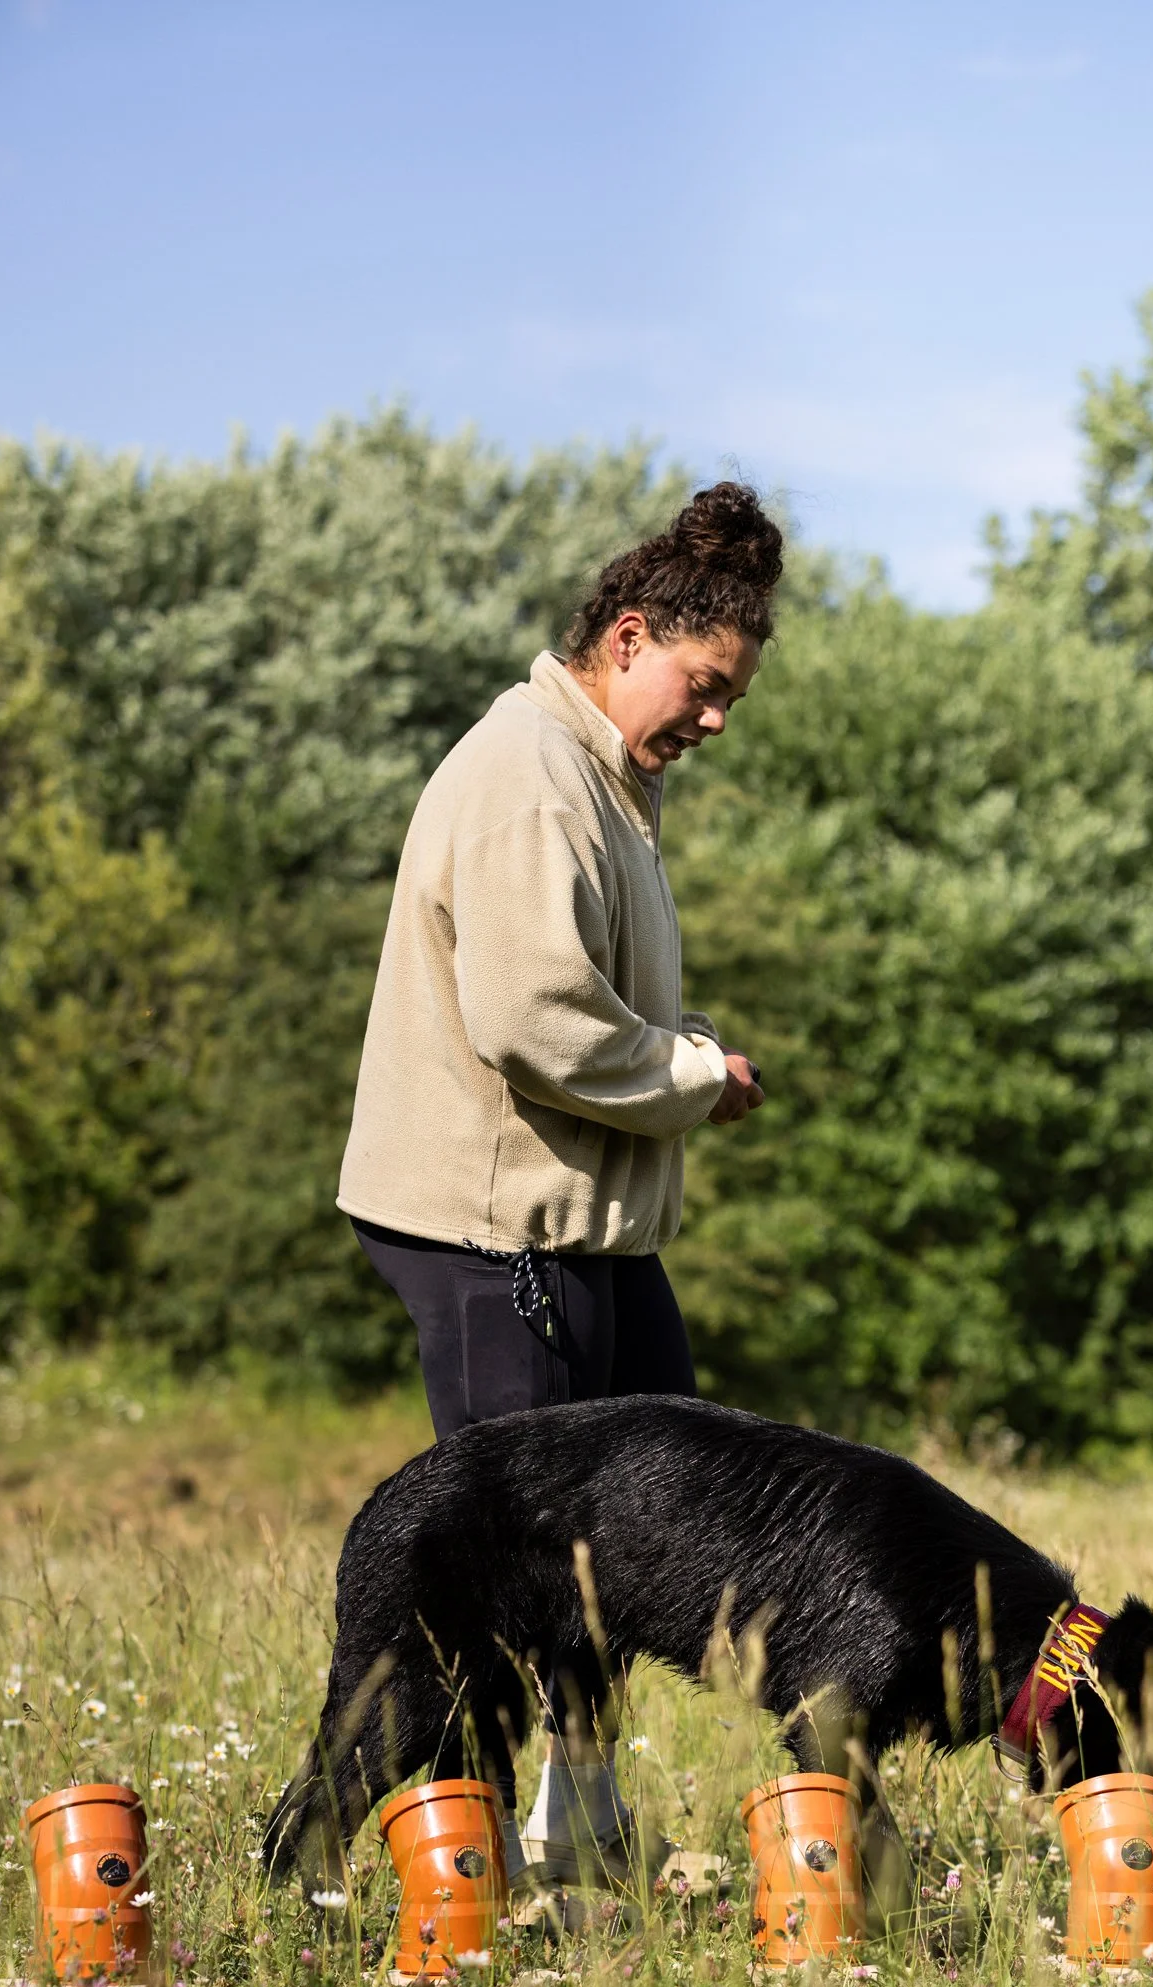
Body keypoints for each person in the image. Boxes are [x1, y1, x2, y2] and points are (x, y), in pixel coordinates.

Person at [336, 480, 783, 1878]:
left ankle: (574, 1827)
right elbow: (533, 1019)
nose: (712, 719)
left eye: (729, 701)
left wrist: (679, 1060)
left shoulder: (608, 777)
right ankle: (443, 1863)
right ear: (631, 634)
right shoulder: (529, 771)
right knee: (508, 1569)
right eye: (702, 688)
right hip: (491, 1231)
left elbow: (587, 1004)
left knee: (630, 1541)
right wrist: (693, 1078)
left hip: (583, 1232)